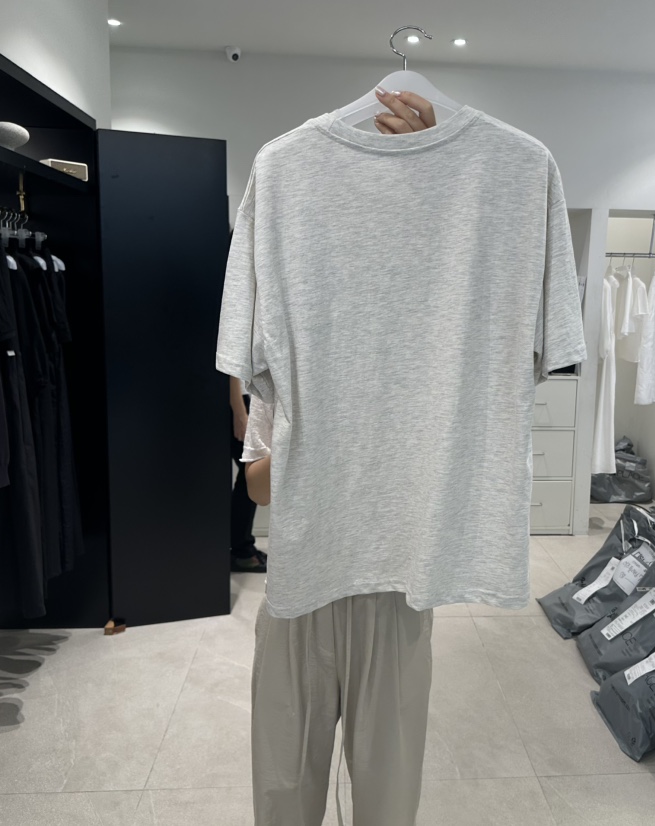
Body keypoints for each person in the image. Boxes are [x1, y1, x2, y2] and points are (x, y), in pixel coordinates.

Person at [242, 90, 439, 826]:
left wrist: (428, 179)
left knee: (388, 797)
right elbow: (258, 486)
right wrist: (322, 434)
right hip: (300, 592)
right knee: (283, 793)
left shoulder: (425, 351)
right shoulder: (289, 343)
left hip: (396, 589)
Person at [229, 376, 266, 572]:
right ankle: (242, 551)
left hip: (238, 400)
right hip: (234, 402)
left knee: (249, 476)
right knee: (250, 475)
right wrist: (240, 412)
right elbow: (230, 370)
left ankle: (242, 547)